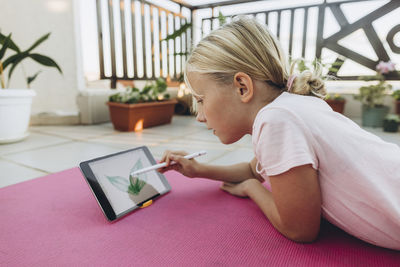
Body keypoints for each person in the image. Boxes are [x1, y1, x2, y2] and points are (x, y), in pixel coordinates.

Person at [158, 16, 400, 250]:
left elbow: (300, 230)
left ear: (242, 87)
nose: (199, 116)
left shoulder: (275, 121)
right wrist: (198, 169)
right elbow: (254, 169)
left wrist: (251, 188)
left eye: (201, 99)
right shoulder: (290, 107)